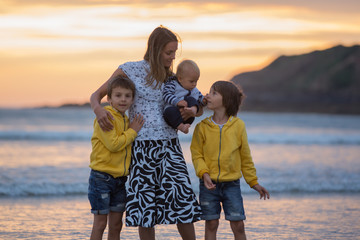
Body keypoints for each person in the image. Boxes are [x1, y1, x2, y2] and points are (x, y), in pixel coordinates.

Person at [90, 26, 201, 240]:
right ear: (156, 49)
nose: (172, 57)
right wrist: (98, 111)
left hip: (169, 146)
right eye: (169, 52)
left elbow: (196, 98)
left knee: (183, 203)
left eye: (174, 53)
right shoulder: (130, 69)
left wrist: (193, 110)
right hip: (141, 148)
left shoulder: (173, 78)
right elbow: (97, 95)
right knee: (145, 208)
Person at [190, 81, 270, 240]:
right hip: (208, 185)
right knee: (211, 224)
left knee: (238, 225)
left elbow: (245, 157)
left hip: (231, 185)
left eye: (214, 93)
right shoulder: (202, 127)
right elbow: (196, 154)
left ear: (226, 100)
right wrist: (204, 174)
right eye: (209, 92)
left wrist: (253, 182)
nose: (207, 95)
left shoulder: (238, 126)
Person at [88, 76, 144, 240]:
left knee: (116, 225)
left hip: (120, 180)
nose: (123, 99)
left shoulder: (125, 119)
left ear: (132, 99)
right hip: (101, 178)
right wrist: (133, 131)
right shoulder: (106, 116)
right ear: (109, 98)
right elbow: (114, 145)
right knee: (100, 224)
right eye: (118, 95)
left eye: (127, 96)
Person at [163, 59, 205, 134]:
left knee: (191, 99)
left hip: (188, 117)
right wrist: (177, 102)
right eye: (191, 81)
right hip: (173, 113)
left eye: (196, 81)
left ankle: (193, 110)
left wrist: (204, 100)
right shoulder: (173, 84)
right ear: (180, 79)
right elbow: (166, 94)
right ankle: (181, 127)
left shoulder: (194, 89)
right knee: (168, 112)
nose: (194, 84)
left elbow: (200, 97)